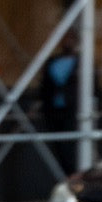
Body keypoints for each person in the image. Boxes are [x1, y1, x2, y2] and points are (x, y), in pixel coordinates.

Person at [39, 32, 80, 174]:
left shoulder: (81, 62)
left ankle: (72, 174)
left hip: (73, 111)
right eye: (65, 39)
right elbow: (45, 86)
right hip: (53, 111)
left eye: (70, 39)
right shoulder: (52, 61)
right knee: (58, 148)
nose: (67, 43)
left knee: (70, 148)